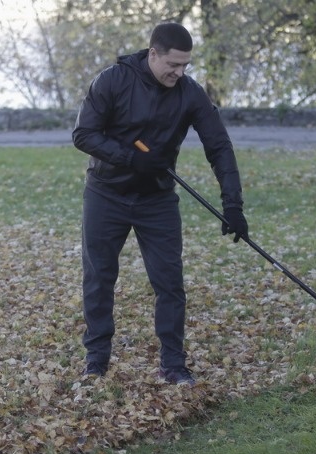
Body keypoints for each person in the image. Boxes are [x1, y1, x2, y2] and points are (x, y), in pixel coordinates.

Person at [71, 22, 248, 385]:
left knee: (170, 282)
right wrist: (130, 157)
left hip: (157, 199)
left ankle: (173, 363)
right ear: (153, 53)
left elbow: (219, 146)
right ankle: (97, 359)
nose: (178, 73)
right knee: (99, 277)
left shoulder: (190, 94)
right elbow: (83, 134)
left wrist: (233, 205)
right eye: (173, 64)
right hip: (106, 194)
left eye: (185, 66)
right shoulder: (112, 80)